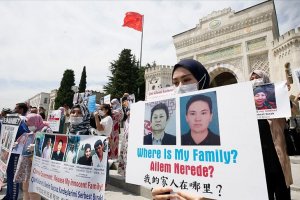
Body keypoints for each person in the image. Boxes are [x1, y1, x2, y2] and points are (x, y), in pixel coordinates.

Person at [152, 59, 210, 200]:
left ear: (202, 80)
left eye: (187, 80)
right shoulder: (169, 124)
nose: (180, 87)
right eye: (175, 83)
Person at [250, 70, 292, 200]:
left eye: (258, 77)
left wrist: (283, 94)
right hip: (260, 159)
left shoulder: (276, 98)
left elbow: (291, 109)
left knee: (282, 192)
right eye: (252, 78)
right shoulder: (248, 102)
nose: (254, 80)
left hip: (276, 157)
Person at [14, 113, 50, 200]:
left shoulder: (46, 130)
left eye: (29, 124)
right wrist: (18, 144)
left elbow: (50, 145)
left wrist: (37, 147)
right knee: (25, 188)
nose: (28, 126)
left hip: (36, 165)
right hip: (27, 163)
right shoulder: (32, 131)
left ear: (35, 121)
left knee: (33, 190)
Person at [2, 103, 29, 200]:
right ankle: (8, 196)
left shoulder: (22, 120)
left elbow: (24, 135)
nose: (14, 109)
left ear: (21, 110)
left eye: (16, 108)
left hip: (15, 155)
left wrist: (16, 142)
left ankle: (12, 197)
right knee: (9, 176)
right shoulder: (11, 120)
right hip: (8, 153)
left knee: (13, 178)